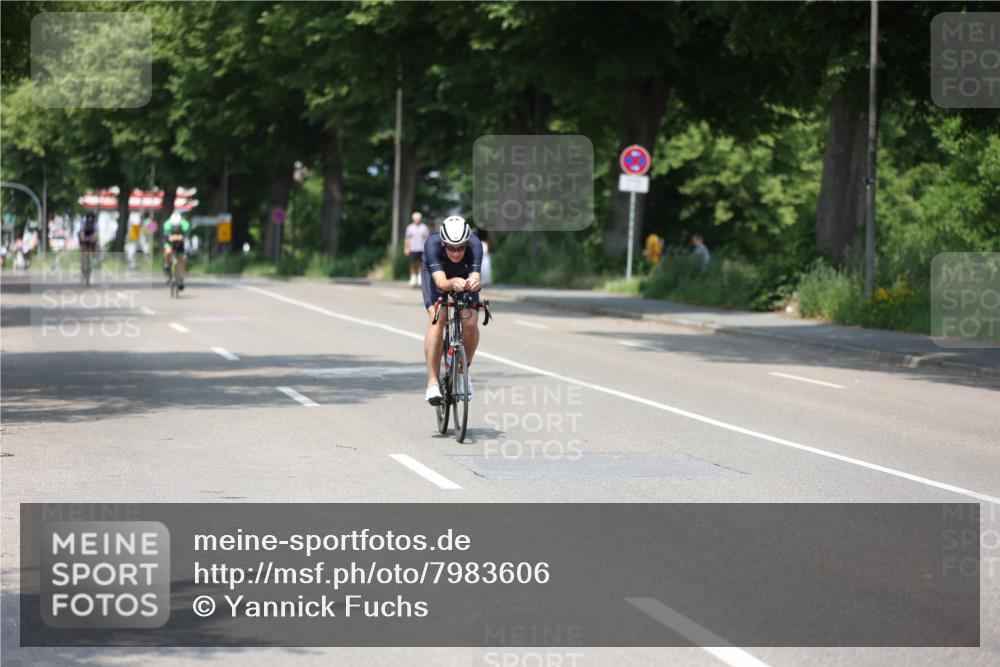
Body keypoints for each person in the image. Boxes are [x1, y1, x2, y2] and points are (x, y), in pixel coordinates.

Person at [421, 215, 483, 405]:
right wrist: (453, 282)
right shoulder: (432, 245)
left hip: (463, 277)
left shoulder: (475, 245)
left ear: (467, 242)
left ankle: (462, 372)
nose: (456, 253)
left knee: (470, 324)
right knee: (438, 319)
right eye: (451, 248)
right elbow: (440, 283)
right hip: (437, 276)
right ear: (443, 243)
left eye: (461, 248)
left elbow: (476, 277)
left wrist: (473, 283)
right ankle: (432, 382)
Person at [162, 213, 191, 290]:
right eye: (174, 226)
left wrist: (182, 237)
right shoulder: (167, 224)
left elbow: (186, 234)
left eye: (177, 226)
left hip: (180, 243)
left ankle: (181, 279)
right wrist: (172, 237)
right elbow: (166, 236)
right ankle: (167, 265)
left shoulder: (185, 224)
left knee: (181, 259)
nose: (176, 227)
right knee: (168, 252)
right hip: (170, 242)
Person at [404, 211, 429, 287]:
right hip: (413, 248)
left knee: (421, 264)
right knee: (412, 263)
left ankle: (419, 277)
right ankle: (413, 277)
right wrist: (406, 248)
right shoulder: (410, 227)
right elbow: (407, 238)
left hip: (421, 249)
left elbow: (427, 238)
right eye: (416, 219)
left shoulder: (424, 227)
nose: (417, 220)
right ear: (413, 219)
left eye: (418, 218)